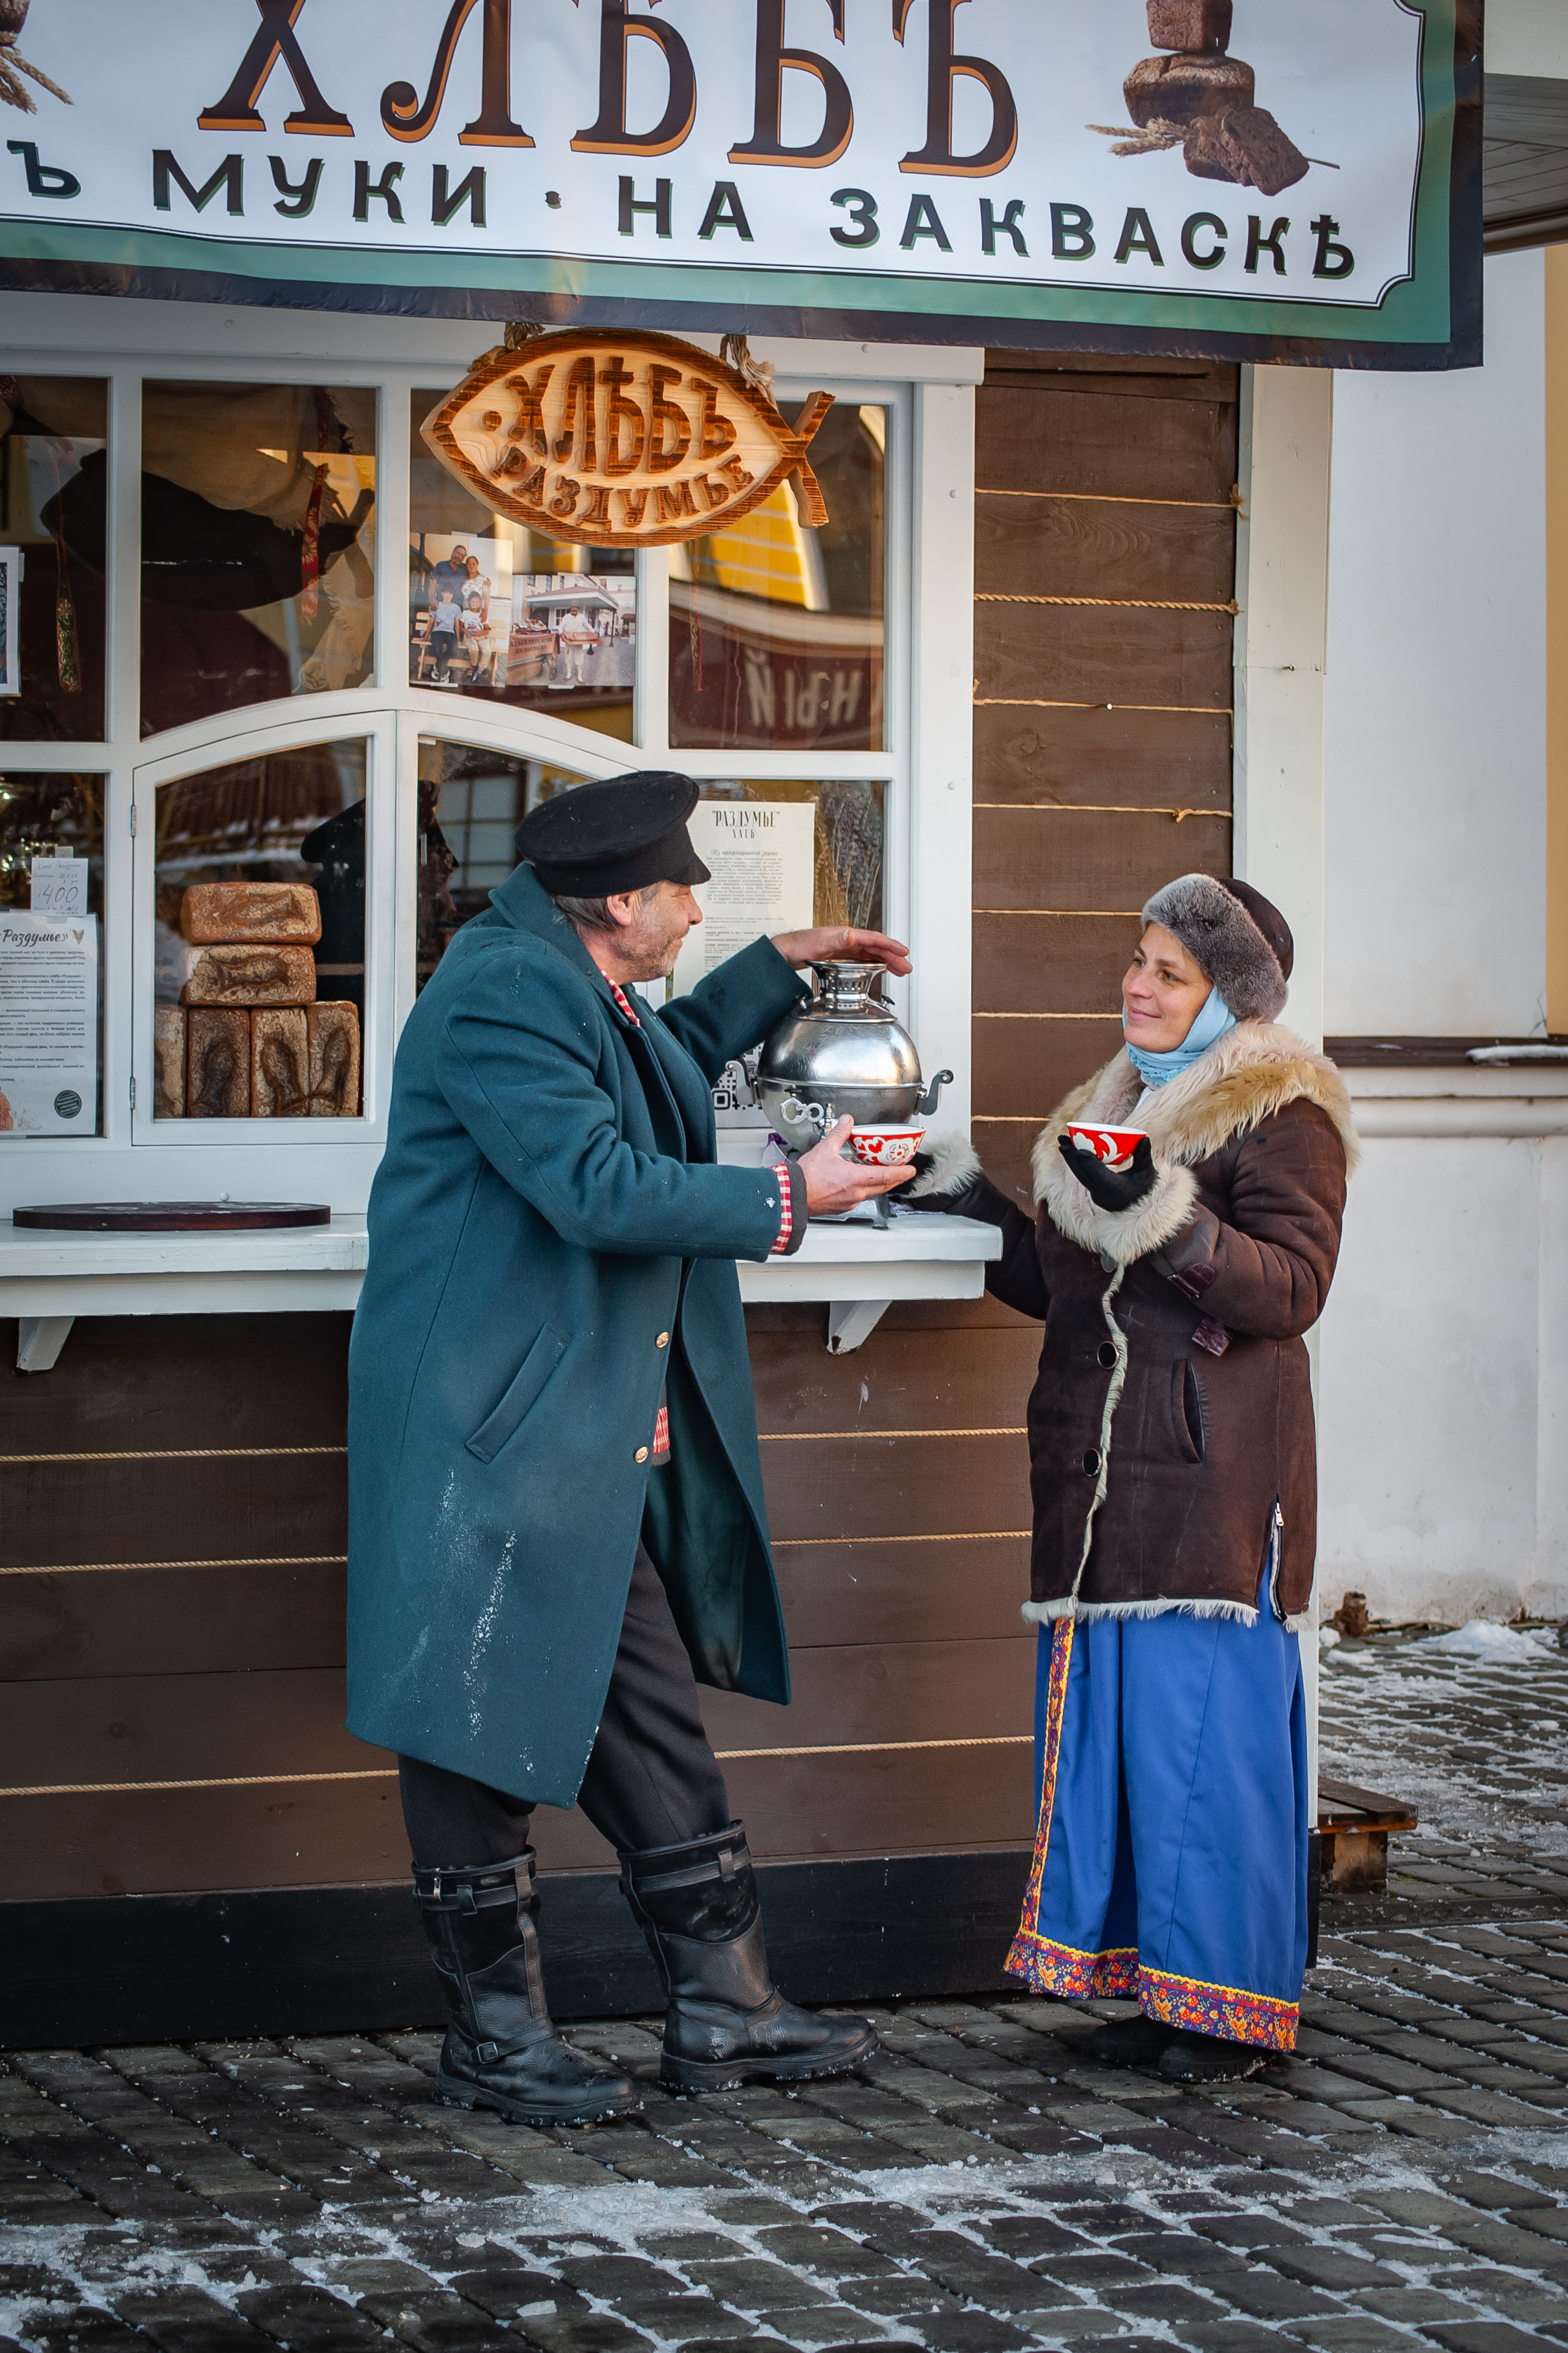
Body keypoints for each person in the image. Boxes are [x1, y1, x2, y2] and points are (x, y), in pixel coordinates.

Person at [347, 772, 916, 2128]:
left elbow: (645, 1078)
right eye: (684, 892)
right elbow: (595, 1182)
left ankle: (726, 2010)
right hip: (494, 1419)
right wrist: (791, 1192)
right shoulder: (497, 993)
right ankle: (494, 2042)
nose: (698, 907)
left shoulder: (567, 977)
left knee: (644, 1703)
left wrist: (773, 971)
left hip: (574, 1423)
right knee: (470, 1714)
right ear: (617, 903)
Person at [908, 874, 1355, 2083]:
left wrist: (1157, 1207)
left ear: (1231, 998)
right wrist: (959, 1196)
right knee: (1123, 1738)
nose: (1137, 984)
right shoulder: (1115, 1100)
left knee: (1201, 1744)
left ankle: (1228, 2008)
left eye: (1169, 971)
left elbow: (1291, 1289)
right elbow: (1067, 1286)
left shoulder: (1282, 1114)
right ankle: (1158, 1988)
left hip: (1208, 1477)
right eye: (1138, 960)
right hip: (1102, 1475)